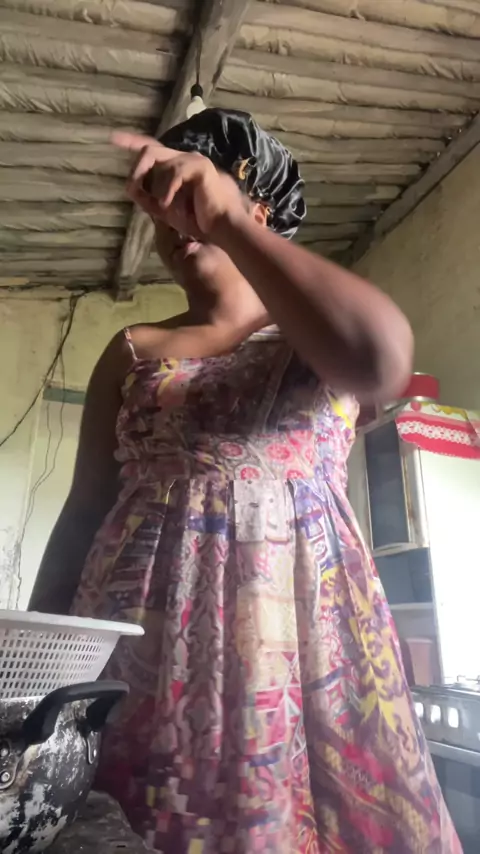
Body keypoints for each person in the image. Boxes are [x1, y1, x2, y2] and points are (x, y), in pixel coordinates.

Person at [29, 109, 460, 853]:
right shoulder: (133, 349)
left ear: (256, 210)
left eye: (195, 194)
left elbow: (381, 361)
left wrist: (224, 219)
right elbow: (82, 512)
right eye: (164, 207)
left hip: (304, 648)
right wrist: (34, 672)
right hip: (145, 653)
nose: (177, 219)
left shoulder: (316, 331)